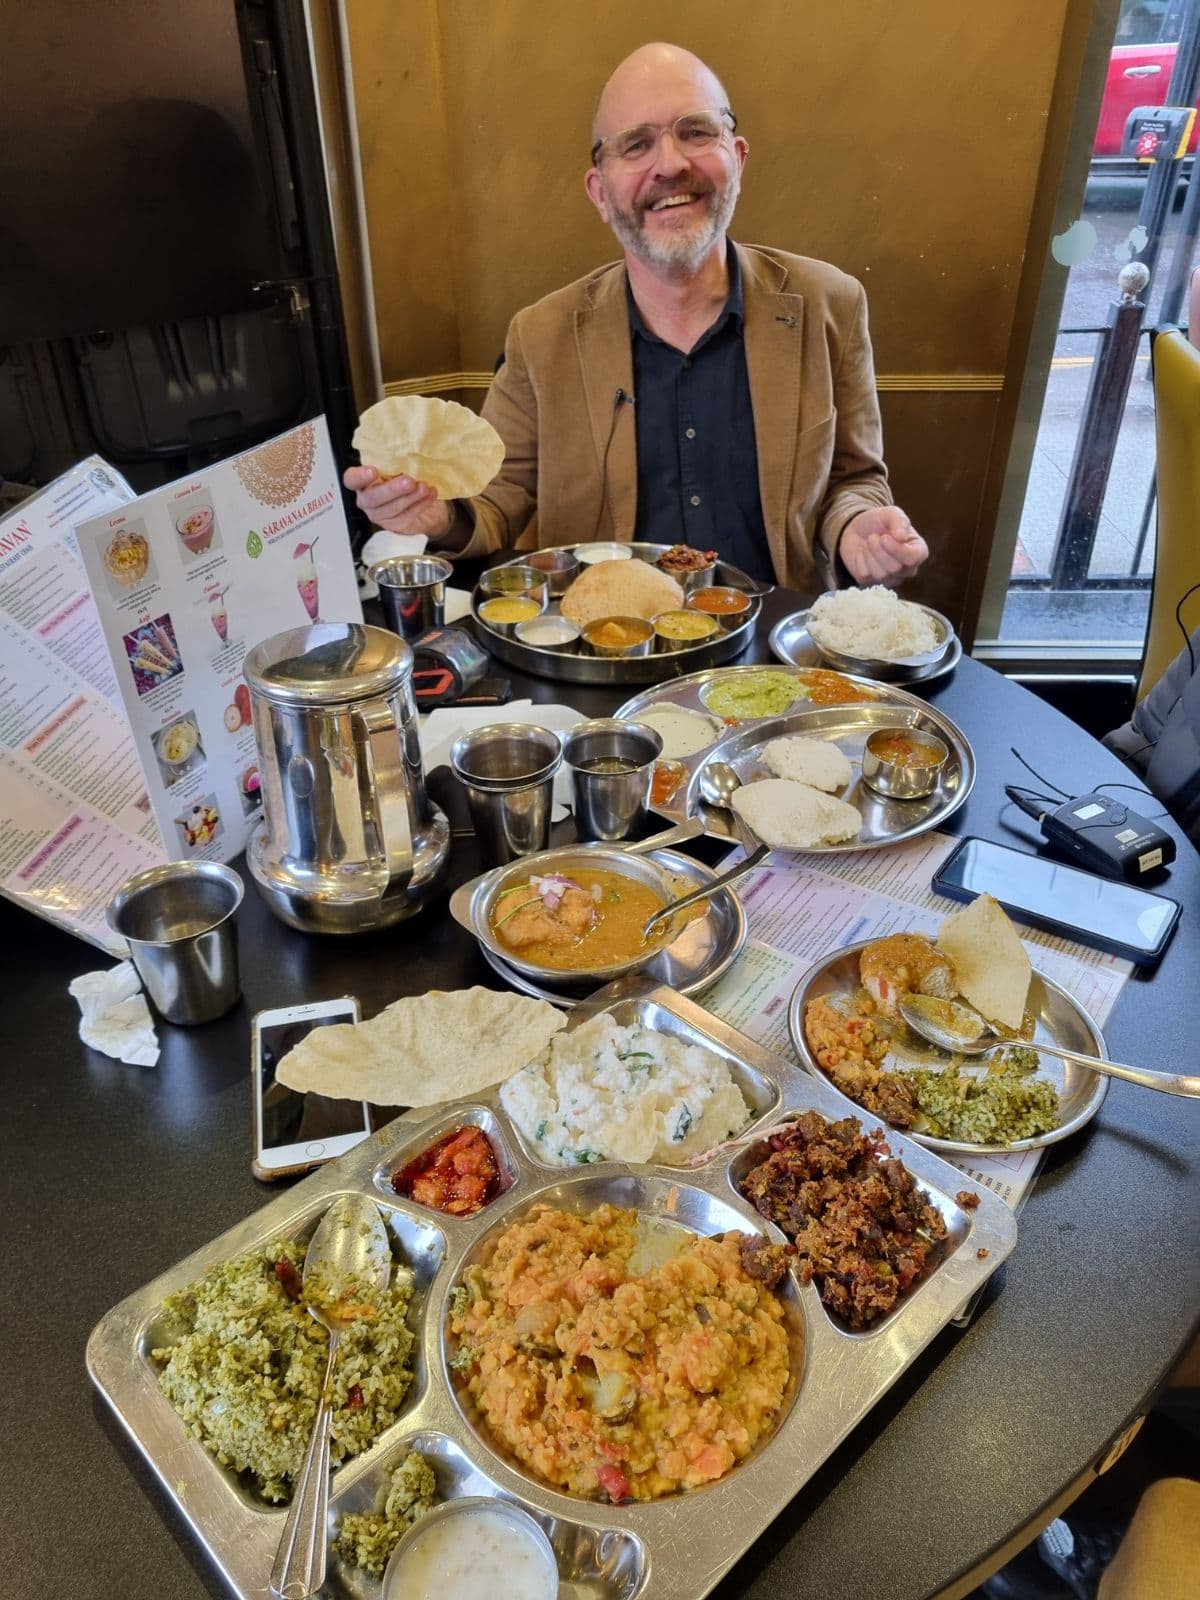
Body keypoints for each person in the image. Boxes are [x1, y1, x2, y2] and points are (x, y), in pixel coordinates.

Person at [345, 42, 928, 591]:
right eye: (636, 145)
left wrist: (860, 527)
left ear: (737, 157)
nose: (669, 164)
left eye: (696, 132)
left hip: (769, 641)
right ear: (600, 193)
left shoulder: (831, 304)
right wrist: (438, 516)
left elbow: (853, 479)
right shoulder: (539, 336)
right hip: (606, 645)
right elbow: (495, 501)